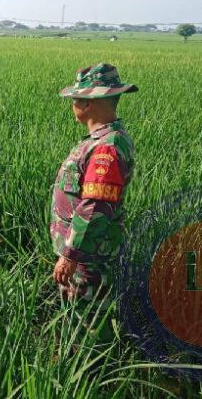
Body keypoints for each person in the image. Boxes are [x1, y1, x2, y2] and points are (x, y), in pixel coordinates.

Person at [50, 63, 137, 345]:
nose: (73, 104)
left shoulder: (106, 148)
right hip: (86, 254)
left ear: (90, 103)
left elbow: (95, 208)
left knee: (84, 324)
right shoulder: (101, 140)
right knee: (77, 315)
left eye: (76, 99)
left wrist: (71, 255)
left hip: (89, 258)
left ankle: (84, 375)